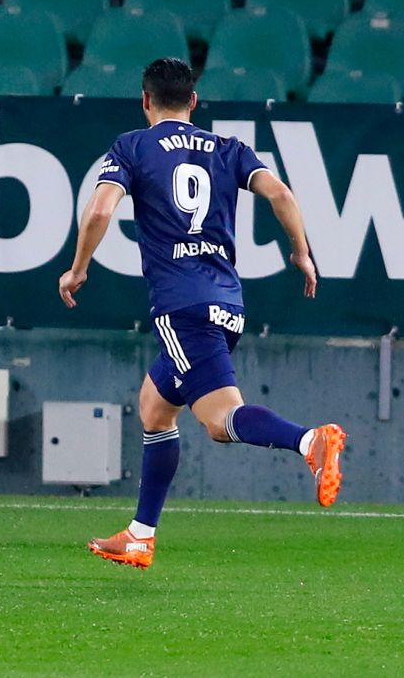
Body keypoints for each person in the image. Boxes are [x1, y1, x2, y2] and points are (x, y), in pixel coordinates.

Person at [58, 58, 345, 570]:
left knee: (218, 420)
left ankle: (310, 440)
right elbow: (280, 193)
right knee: (154, 406)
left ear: (145, 101)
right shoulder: (228, 148)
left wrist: (78, 268)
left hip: (181, 307)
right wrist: (301, 252)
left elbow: (101, 210)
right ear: (194, 102)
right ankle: (140, 536)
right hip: (227, 300)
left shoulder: (132, 145)